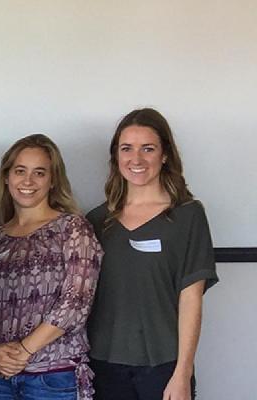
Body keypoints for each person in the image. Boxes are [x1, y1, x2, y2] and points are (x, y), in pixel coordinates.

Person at [85, 109, 217, 400]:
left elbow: (191, 299)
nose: (137, 159)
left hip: (163, 365)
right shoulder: (96, 221)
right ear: (116, 156)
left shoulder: (187, 216)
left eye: (148, 148)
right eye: (127, 149)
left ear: (165, 154)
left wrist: (182, 373)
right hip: (103, 364)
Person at [0, 134, 102, 400]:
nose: (28, 181)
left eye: (39, 173)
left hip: (54, 377)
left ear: (53, 180)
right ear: (7, 176)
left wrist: (24, 350)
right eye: (20, 171)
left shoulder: (72, 229)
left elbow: (76, 304)